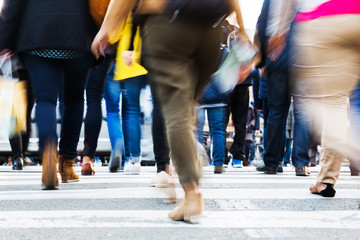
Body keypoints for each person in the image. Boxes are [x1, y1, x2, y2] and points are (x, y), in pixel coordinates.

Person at [91, 0, 250, 221]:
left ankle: (192, 191)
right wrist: (242, 34)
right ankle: (190, 153)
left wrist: (107, 27)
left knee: (176, 108)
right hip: (210, 30)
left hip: (167, 24)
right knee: (187, 104)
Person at [0, 0, 96, 189]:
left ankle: (49, 153)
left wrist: (5, 42)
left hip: (38, 35)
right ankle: (67, 164)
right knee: (75, 100)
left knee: (45, 99)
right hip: (79, 34)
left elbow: (14, 5)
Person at [277, 0, 360, 196]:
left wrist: (279, 30)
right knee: (342, 102)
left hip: (322, 19)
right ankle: (325, 180)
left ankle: (350, 152)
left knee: (321, 101)